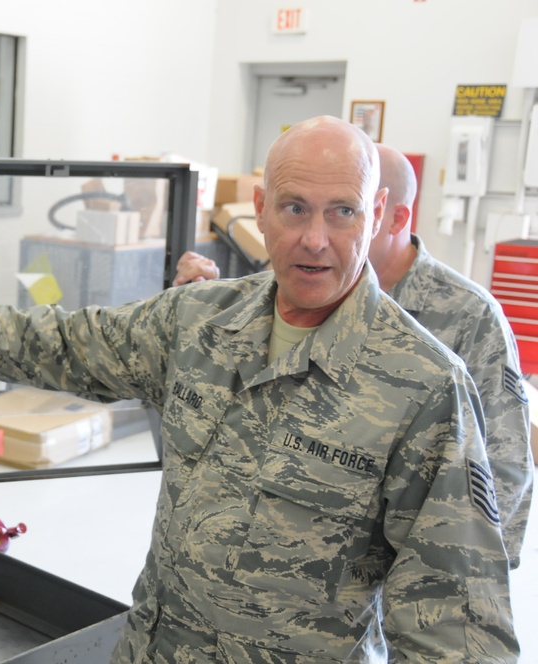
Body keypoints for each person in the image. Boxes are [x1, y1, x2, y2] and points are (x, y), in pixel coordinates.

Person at [0, 116, 518, 661]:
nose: (315, 239)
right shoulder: (201, 321)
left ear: (379, 215)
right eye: (294, 208)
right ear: (260, 209)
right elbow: (57, 340)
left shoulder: (422, 384)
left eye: (342, 212)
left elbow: (455, 626)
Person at [175, 143, 534, 569]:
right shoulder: (308, 285)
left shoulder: (468, 315)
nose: (318, 239)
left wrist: (449, 580)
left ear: (390, 215)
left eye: (345, 211)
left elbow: (503, 468)